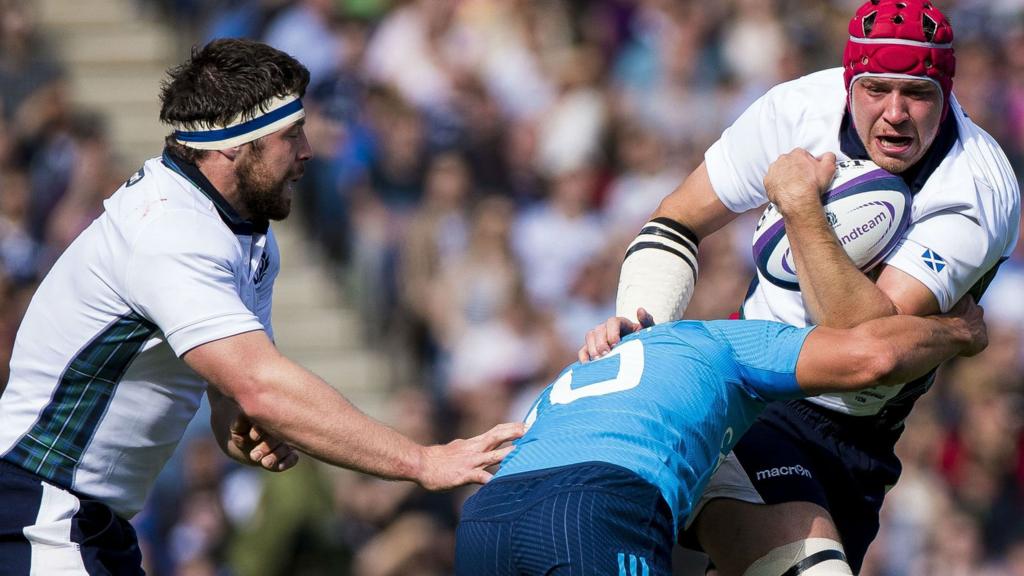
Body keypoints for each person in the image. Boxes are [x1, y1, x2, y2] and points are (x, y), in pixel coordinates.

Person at [0, 39, 522, 575]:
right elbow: (262, 386)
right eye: (290, 133)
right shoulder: (169, 232)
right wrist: (424, 461)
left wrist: (237, 427)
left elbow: (234, 395)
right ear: (232, 144)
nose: (307, 151)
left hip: (88, 518)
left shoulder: (245, 233)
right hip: (35, 506)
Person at [580, 1, 1020, 574]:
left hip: (860, 438)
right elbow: (676, 220)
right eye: (876, 89)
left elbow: (861, 341)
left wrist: (797, 203)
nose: (895, 114)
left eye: (917, 93)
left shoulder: (976, 188)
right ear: (848, 82)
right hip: (750, 389)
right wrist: (642, 337)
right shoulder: (794, 110)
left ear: (947, 93)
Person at [457, 300, 988, 575]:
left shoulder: (594, 365)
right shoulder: (724, 340)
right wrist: (958, 332)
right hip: (595, 505)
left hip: (487, 516)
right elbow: (876, 358)